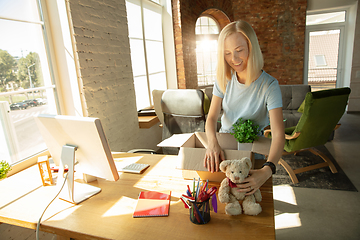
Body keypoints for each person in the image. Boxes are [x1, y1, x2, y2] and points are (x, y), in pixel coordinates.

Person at [204, 20, 285, 195]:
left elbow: (278, 134)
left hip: (251, 154)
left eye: (239, 50)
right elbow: (211, 118)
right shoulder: (223, 79)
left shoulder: (270, 85)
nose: (234, 59)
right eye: (227, 53)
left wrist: (267, 169)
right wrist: (212, 143)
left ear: (251, 47)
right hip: (223, 151)